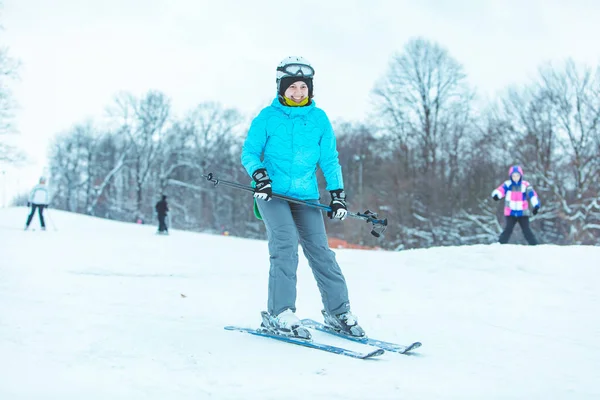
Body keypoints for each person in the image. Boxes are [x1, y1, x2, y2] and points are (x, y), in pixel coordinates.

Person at [240, 56, 364, 339]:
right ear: (281, 88)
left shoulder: (319, 119)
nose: (298, 92)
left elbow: (330, 160)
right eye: (292, 87)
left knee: (321, 252)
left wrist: (337, 195)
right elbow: (249, 152)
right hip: (272, 193)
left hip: (307, 196)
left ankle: (338, 312)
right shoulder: (267, 118)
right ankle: (279, 313)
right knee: (285, 246)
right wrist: (260, 175)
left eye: (303, 87)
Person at [491, 165, 540, 245]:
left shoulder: (525, 185)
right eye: (513, 175)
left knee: (526, 230)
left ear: (521, 176)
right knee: (508, 229)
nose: (515, 177)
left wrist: (536, 205)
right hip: (510, 212)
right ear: (511, 176)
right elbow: (500, 190)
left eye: (517, 175)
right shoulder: (508, 184)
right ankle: (500, 245)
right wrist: (497, 195)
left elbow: (532, 195)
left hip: (523, 213)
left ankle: (534, 245)